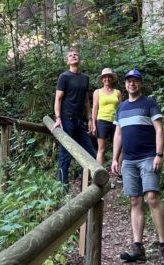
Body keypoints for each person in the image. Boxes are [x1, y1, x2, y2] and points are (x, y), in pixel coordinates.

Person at [111, 69, 164, 265]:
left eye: (135, 81)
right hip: (128, 160)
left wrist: (159, 154)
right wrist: (115, 159)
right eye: (129, 81)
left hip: (148, 157)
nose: (132, 84)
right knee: (134, 200)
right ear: (125, 84)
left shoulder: (149, 103)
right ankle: (138, 248)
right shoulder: (120, 107)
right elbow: (118, 135)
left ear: (140, 83)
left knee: (152, 198)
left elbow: (159, 129)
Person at [52, 49, 96, 186]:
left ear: (79, 58)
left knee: (90, 153)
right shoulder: (64, 77)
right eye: (70, 56)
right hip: (66, 119)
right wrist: (58, 118)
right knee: (65, 155)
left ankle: (87, 185)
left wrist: (89, 119)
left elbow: (86, 101)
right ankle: (61, 187)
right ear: (67, 61)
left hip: (79, 121)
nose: (73, 56)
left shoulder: (85, 78)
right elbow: (58, 99)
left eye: (75, 54)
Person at [91, 68, 121, 166]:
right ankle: (100, 174)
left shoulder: (118, 92)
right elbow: (95, 108)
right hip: (102, 121)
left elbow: (120, 108)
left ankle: (118, 173)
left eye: (109, 77)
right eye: (105, 77)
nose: (107, 79)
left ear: (112, 79)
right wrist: (94, 124)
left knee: (118, 148)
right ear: (102, 79)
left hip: (116, 122)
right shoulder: (97, 92)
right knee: (101, 149)